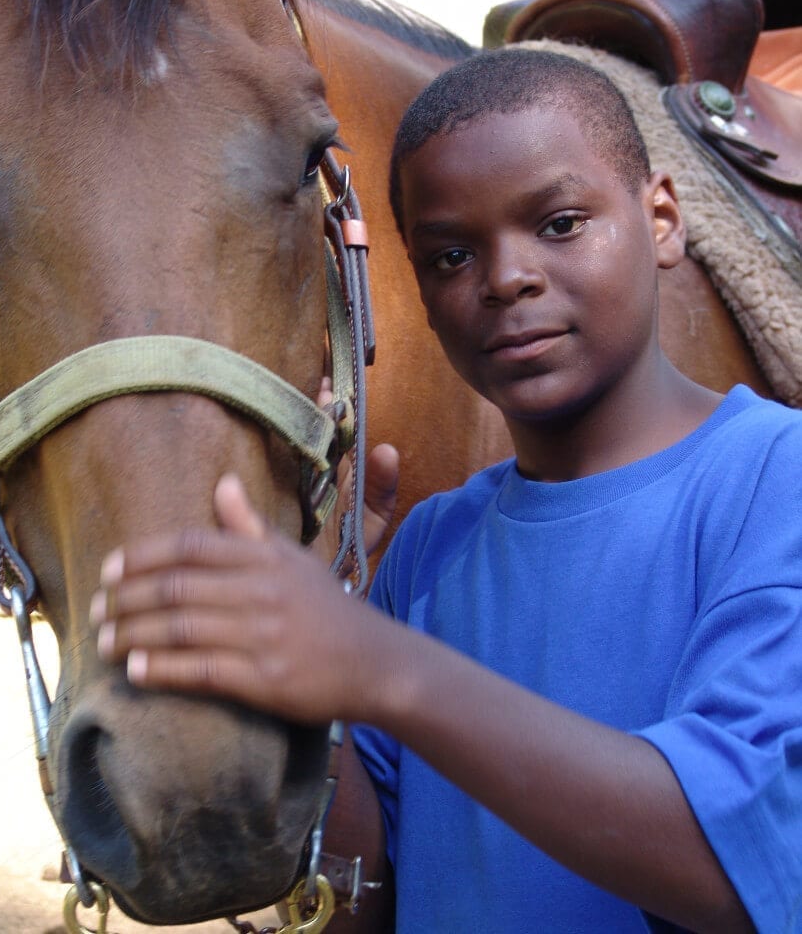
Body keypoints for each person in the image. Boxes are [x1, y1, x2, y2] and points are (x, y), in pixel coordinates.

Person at [89, 49, 802, 933]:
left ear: (660, 219)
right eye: (452, 255)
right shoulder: (432, 547)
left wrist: (377, 665)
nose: (505, 279)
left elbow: (739, 870)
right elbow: (360, 901)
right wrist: (319, 646)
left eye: (561, 223)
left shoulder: (774, 481)